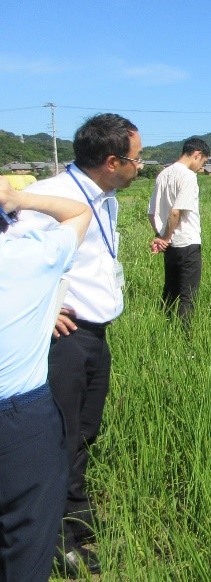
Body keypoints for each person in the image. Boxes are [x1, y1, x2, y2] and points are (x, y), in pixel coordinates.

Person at [9, 113, 143, 577]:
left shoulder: (106, 199)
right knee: (59, 440)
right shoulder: (50, 198)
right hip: (62, 340)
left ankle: (76, 519)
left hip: (95, 335)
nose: (140, 166)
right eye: (136, 158)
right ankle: (57, 541)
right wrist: (45, 311)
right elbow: (10, 258)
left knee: (85, 432)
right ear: (112, 162)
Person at [0, 178, 91, 582]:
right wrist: (18, 197)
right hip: (19, 418)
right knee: (26, 540)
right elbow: (78, 212)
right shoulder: (30, 256)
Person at [147, 137, 210, 329]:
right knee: (187, 296)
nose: (201, 167)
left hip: (170, 247)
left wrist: (162, 238)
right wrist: (166, 237)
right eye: (203, 162)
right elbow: (176, 212)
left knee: (170, 292)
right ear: (197, 155)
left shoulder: (163, 174)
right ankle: (185, 339)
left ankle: (164, 330)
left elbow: (152, 213)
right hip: (187, 243)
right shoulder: (188, 176)